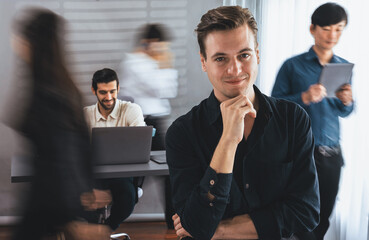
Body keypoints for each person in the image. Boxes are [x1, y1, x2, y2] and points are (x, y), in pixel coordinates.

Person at [166, 6, 320, 240]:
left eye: (244, 55)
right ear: (204, 62)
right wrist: (228, 141)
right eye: (220, 58)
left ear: (257, 54)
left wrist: (223, 231)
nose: (235, 69)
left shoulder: (293, 119)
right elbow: (196, 225)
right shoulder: (182, 133)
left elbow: (306, 212)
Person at [8, 8, 111, 240]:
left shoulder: (47, 95)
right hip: (50, 199)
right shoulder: (60, 87)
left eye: (21, 36)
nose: (16, 42)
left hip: (49, 201)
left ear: (34, 42)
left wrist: (71, 217)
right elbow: (81, 146)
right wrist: (88, 185)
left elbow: (62, 155)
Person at [271, 3, 353, 240]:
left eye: (339, 29)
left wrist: (347, 102)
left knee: (324, 216)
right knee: (301, 217)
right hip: (301, 154)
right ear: (312, 29)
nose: (332, 35)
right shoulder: (292, 66)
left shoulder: (343, 66)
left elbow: (344, 112)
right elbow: (274, 106)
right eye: (327, 28)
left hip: (332, 155)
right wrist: (304, 97)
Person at [84, 68, 146, 232]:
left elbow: (140, 143)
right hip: (93, 175)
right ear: (94, 91)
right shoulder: (86, 115)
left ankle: (106, 230)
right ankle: (92, 229)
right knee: (81, 196)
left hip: (121, 175)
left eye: (112, 91)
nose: (109, 97)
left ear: (118, 88)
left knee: (127, 195)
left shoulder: (132, 110)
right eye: (103, 92)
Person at [119, 23, 178, 150]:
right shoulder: (135, 62)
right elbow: (163, 91)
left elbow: (170, 91)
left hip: (153, 120)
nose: (165, 50)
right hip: (144, 120)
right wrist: (166, 63)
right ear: (149, 43)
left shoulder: (150, 61)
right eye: (162, 46)